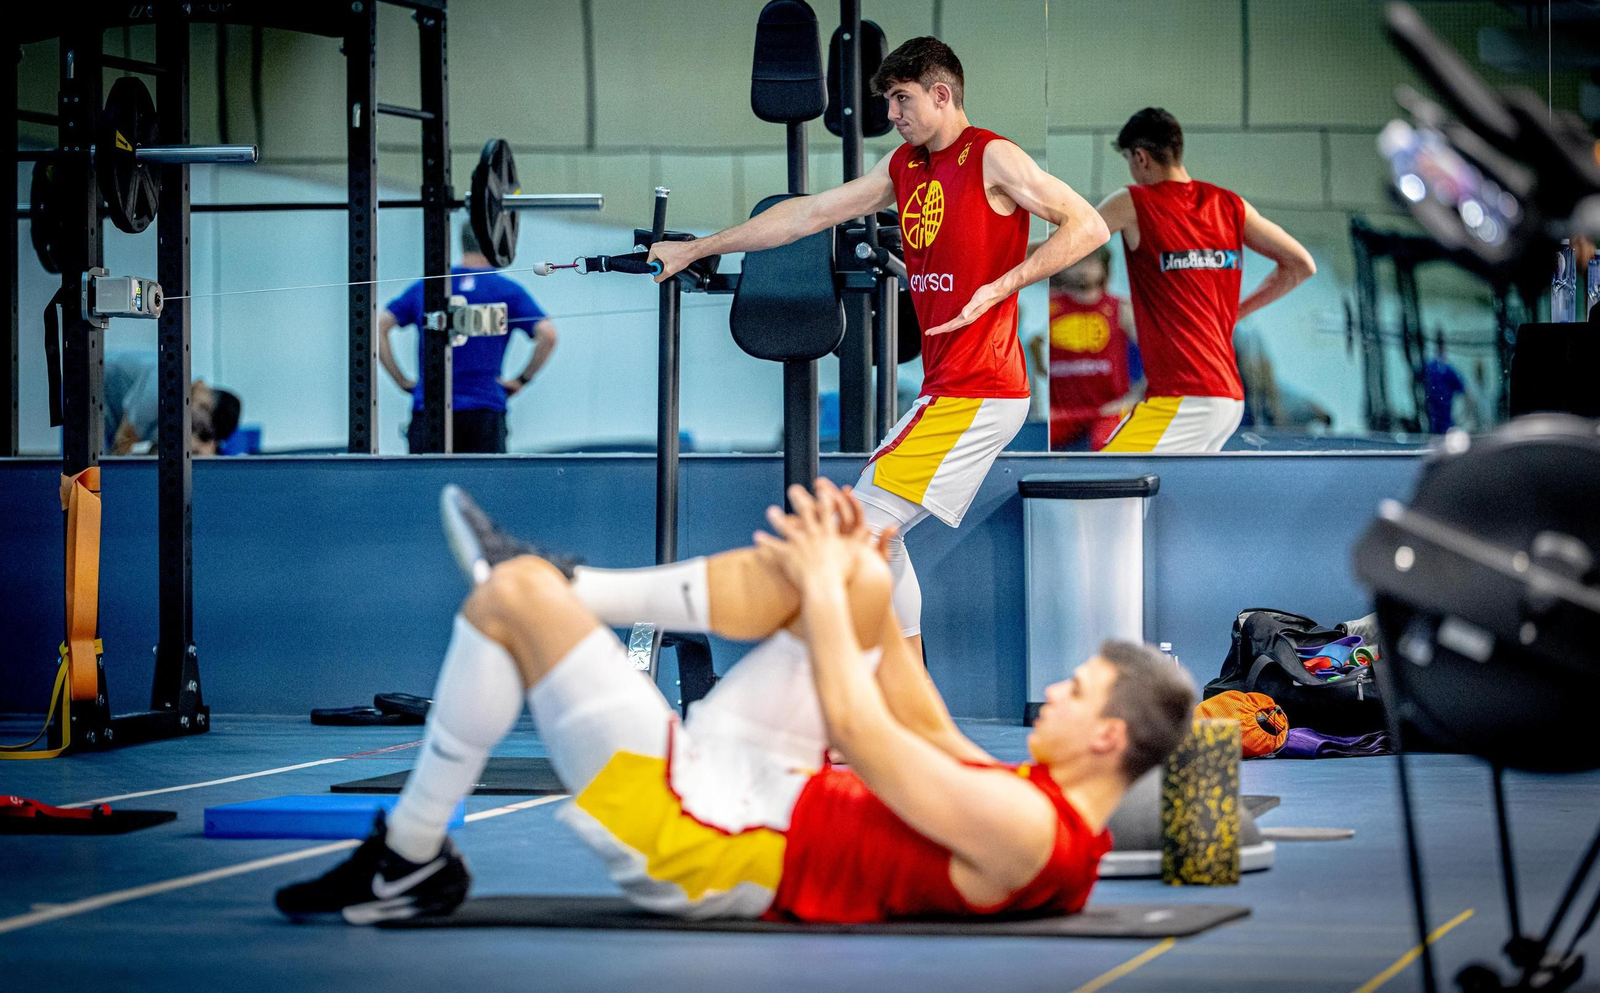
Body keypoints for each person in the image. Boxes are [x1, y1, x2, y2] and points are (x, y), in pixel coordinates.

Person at [275, 479, 1195, 925]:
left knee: (506, 603)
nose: (1053, 694)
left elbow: (869, 732)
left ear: (1108, 734)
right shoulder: (1036, 803)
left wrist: (830, 589)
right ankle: (570, 579)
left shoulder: (1033, 832)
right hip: (765, 783)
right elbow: (918, 711)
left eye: (1072, 691)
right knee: (855, 586)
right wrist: (856, 571)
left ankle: (409, 856)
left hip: (710, 840)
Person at [649, 37, 1108, 660]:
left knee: (857, 531)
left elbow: (1089, 224)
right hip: (949, 390)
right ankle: (909, 699)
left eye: (901, 99)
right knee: (875, 537)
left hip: (983, 388)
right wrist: (698, 248)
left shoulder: (993, 156)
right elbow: (805, 216)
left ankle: (889, 702)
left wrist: (1005, 283)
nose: (892, 114)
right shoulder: (903, 167)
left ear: (941, 95)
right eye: (890, 101)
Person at [1095, 107, 1317, 452]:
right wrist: (1237, 312)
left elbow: (1067, 246)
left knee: (1100, 485)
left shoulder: (1135, 201)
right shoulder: (1230, 205)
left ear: (1140, 157)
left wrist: (1007, 261)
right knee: (1157, 498)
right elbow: (1300, 264)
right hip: (1225, 396)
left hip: (1186, 397)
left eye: (1127, 159)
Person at [379, 222, 558, 454]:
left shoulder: (428, 286)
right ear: (496, 243)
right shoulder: (506, 290)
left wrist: (401, 380)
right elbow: (548, 335)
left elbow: (379, 326)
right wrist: (521, 380)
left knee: (429, 488)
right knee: (483, 490)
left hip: (429, 411)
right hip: (484, 412)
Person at [1025, 245, 1143, 451]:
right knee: (1030, 445)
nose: (1083, 269)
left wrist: (1133, 398)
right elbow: (1032, 355)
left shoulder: (1121, 309)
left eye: (1090, 261)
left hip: (1109, 409)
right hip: (1060, 414)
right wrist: (1039, 406)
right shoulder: (1048, 305)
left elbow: (1159, 360)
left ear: (1103, 266)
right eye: (1077, 261)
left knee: (1108, 446)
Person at [102, 349, 241, 456]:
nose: (197, 430)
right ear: (206, 407)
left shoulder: (182, 406)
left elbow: (158, 454)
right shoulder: (165, 381)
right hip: (87, 394)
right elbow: (123, 442)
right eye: (203, 428)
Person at [1421, 329, 1469, 435]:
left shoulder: (1433, 368)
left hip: (1438, 424)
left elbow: (1466, 394)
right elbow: (1467, 394)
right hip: (1438, 424)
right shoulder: (1438, 368)